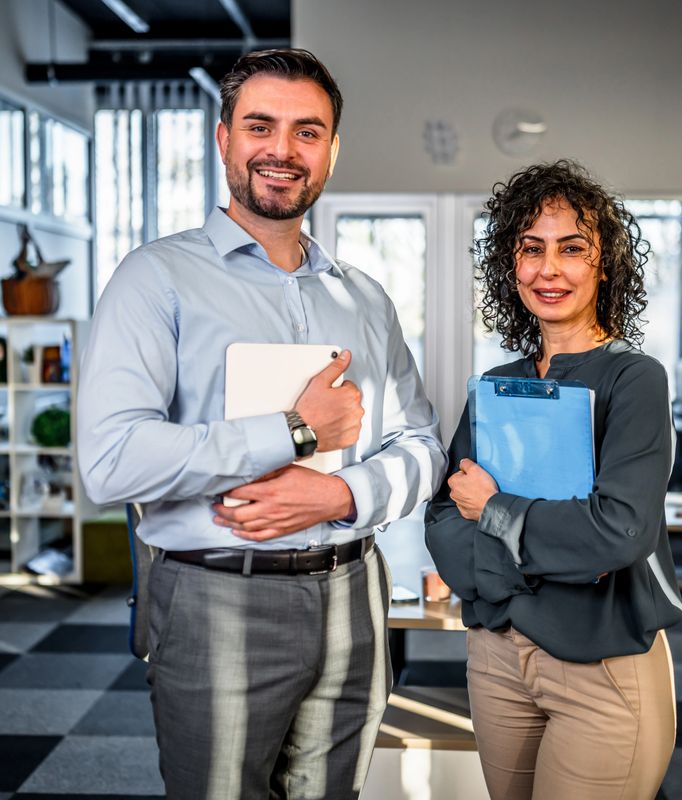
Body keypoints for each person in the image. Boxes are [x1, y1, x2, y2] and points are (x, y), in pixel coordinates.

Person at [78, 49, 446, 800]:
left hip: (354, 593)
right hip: (216, 594)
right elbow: (110, 460)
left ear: (332, 151)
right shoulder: (154, 279)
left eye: (307, 131)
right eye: (260, 126)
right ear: (223, 141)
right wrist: (296, 431)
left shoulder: (365, 299)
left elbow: (422, 445)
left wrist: (338, 498)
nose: (282, 150)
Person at [425, 160, 682, 800]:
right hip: (497, 661)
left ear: (604, 266)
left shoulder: (635, 380)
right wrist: (550, 552)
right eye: (531, 249)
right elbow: (441, 521)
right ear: (510, 266)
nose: (550, 270)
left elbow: (619, 533)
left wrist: (494, 513)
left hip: (604, 667)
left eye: (573, 249)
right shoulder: (495, 385)